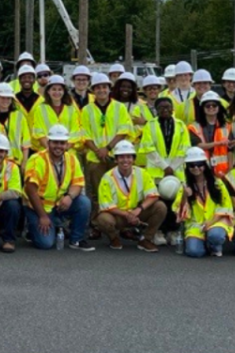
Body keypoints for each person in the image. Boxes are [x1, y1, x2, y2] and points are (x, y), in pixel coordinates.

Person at [24, 124, 93, 251]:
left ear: (66, 145)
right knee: (45, 244)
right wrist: (43, 216)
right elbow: (30, 190)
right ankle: (33, 228)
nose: (58, 146)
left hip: (59, 205)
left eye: (62, 143)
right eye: (55, 142)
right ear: (49, 143)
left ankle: (76, 240)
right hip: (39, 207)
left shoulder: (72, 159)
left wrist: (69, 197)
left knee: (84, 202)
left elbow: (78, 183)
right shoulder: (37, 160)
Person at [93, 140, 168, 251]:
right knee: (103, 219)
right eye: (121, 157)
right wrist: (127, 215)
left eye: (129, 157)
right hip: (118, 216)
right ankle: (114, 238)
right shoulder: (107, 178)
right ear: (116, 159)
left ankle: (145, 240)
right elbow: (106, 205)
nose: (125, 160)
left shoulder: (143, 173)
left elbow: (153, 195)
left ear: (133, 159)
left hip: (137, 212)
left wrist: (138, 210)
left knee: (160, 206)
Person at [79, 72, 131, 214]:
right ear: (93, 90)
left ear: (109, 88)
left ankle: (121, 223)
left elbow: (124, 129)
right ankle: (97, 223)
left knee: (119, 191)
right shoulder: (86, 110)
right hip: (95, 158)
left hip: (117, 156)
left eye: (104, 87)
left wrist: (107, 148)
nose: (101, 90)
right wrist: (98, 151)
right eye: (98, 88)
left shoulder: (119, 107)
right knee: (97, 192)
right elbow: (84, 134)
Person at [179, 147, 233, 258]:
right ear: (187, 167)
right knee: (194, 252)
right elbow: (181, 214)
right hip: (195, 225)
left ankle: (213, 244)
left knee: (215, 235)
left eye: (199, 164)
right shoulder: (185, 186)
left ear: (205, 165)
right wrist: (185, 196)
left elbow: (226, 207)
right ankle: (203, 242)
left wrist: (208, 224)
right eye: (192, 165)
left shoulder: (217, 183)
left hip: (216, 221)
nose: (196, 168)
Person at [31, 75, 81, 153]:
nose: (57, 92)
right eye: (53, 89)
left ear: (64, 91)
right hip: (46, 152)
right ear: (48, 91)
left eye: (60, 89)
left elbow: (75, 132)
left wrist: (64, 149)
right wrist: (52, 150)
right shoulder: (40, 109)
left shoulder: (71, 109)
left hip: (68, 153)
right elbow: (39, 132)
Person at [188, 90, 232, 177]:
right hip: (201, 170)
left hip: (223, 171)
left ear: (219, 107)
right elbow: (197, 145)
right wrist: (218, 143)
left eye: (214, 105)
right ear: (202, 108)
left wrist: (230, 168)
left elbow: (230, 150)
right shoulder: (193, 127)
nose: (211, 108)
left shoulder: (227, 126)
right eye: (207, 106)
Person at [0, 83, 32, 166]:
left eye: (8, 98)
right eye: (3, 98)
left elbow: (26, 142)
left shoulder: (19, 116)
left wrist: (24, 162)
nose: (6, 100)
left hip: (16, 161)